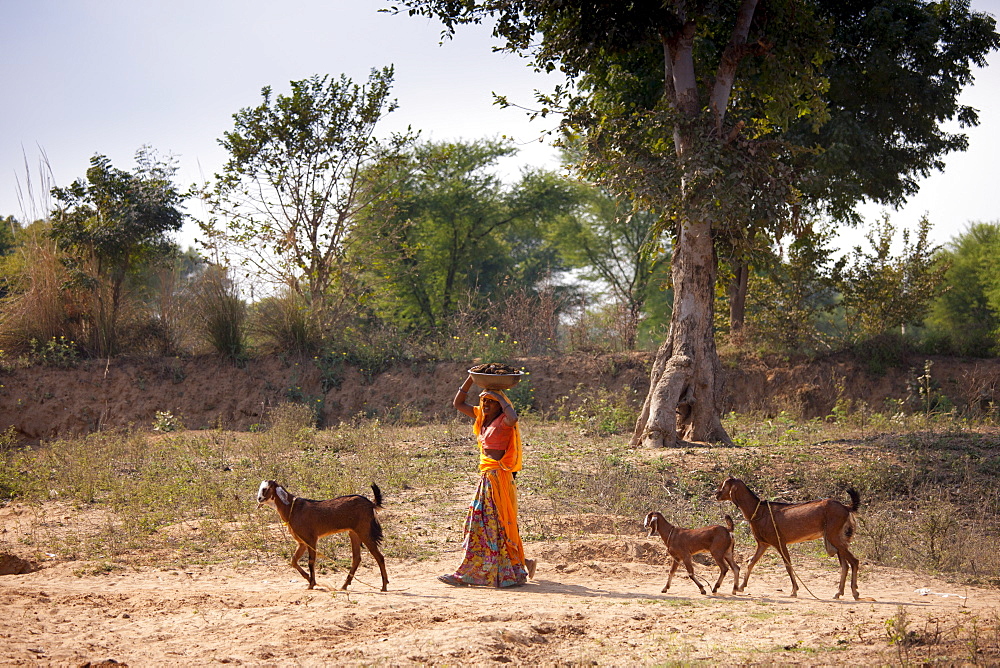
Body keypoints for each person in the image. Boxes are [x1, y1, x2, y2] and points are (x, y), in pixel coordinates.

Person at [438, 373, 536, 587]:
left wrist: (499, 397)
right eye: (484, 402)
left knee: (488, 524)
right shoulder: (482, 418)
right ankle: (517, 565)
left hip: (497, 478)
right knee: (487, 524)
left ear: (501, 406)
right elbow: (458, 403)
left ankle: (476, 573)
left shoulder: (503, 422)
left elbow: (514, 418)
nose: (486, 406)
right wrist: (470, 379)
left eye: (491, 403)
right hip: (488, 478)